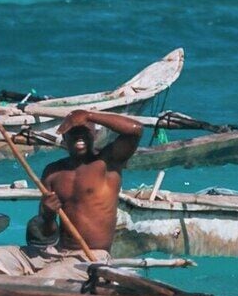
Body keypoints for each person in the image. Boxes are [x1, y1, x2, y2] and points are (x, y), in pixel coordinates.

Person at [22, 109, 147, 256]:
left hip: (91, 257)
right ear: (64, 136)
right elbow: (47, 233)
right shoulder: (52, 172)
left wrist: (89, 115)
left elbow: (135, 130)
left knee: (48, 275)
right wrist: (48, 216)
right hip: (57, 252)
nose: (79, 135)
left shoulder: (108, 163)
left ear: (94, 135)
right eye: (73, 131)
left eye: (84, 131)